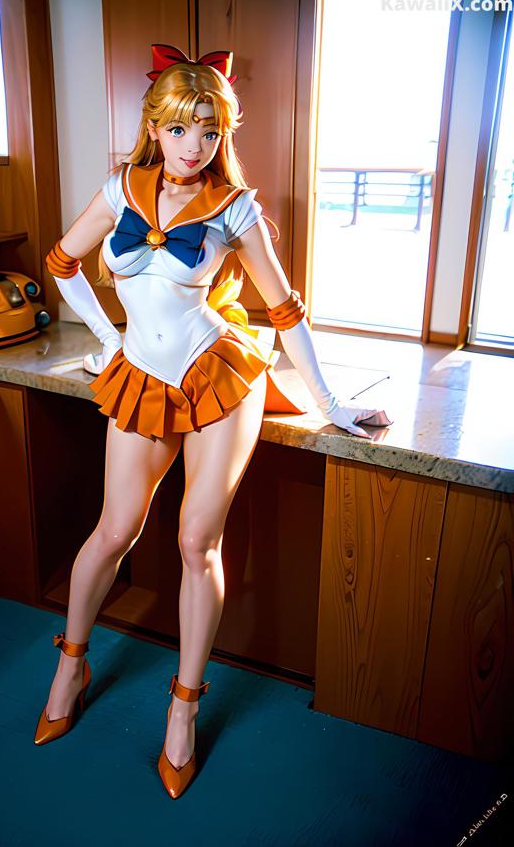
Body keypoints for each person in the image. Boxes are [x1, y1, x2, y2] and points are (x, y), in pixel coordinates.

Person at [36, 43, 391, 799]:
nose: (194, 146)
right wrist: (107, 345)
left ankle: (183, 705)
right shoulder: (118, 189)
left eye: (209, 130)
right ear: (154, 128)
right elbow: (61, 262)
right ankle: (71, 661)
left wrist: (332, 405)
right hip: (141, 374)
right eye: (180, 128)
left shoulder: (236, 209)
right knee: (113, 531)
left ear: (222, 132)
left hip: (217, 375)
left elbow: (286, 310)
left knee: (197, 540)